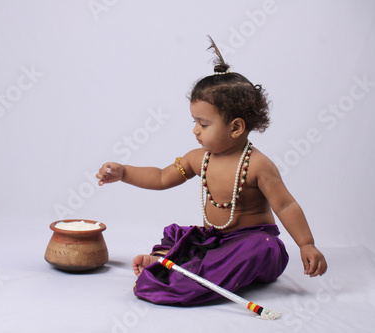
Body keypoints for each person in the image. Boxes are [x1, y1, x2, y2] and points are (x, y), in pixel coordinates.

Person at [96, 37, 327, 306]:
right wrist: (124, 172)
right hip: (215, 241)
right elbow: (161, 177)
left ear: (236, 128)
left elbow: (286, 206)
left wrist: (306, 244)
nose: (195, 130)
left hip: (250, 246)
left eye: (203, 124)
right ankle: (177, 265)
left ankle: (181, 271)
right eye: (194, 121)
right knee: (185, 237)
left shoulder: (257, 165)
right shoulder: (199, 159)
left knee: (262, 246)